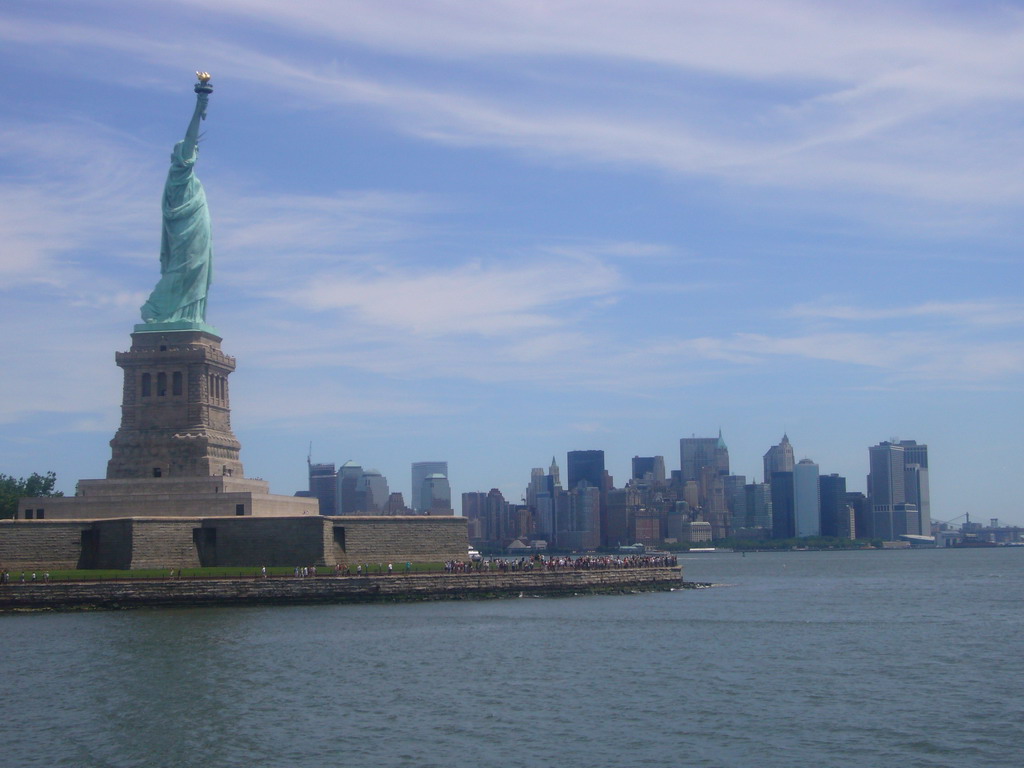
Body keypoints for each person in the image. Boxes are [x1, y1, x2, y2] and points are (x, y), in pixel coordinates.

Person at [140, 83, 213, 325]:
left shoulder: (189, 180)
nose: (193, 152)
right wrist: (200, 104)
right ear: (179, 156)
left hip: (198, 227)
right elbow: (191, 138)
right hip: (183, 231)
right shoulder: (178, 175)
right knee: (183, 267)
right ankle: (158, 309)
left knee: (196, 269)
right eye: (188, 150)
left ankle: (188, 315)